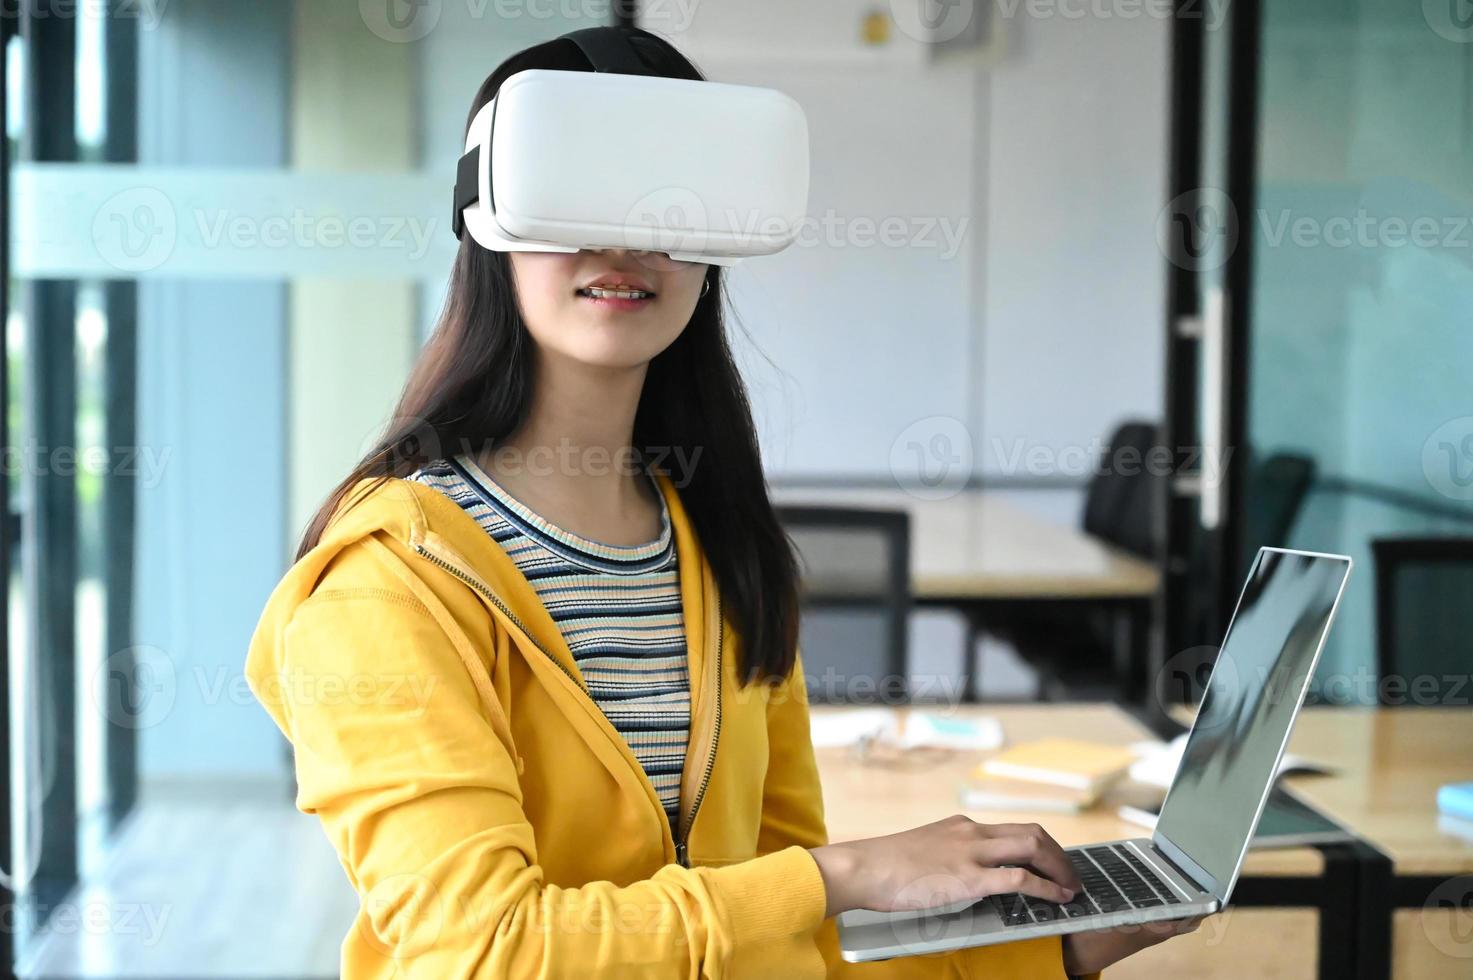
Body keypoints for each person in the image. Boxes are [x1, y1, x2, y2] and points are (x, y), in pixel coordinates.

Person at [244, 25, 1196, 979]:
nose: (628, 239)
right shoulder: (388, 588)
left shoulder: (719, 547)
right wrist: (842, 874)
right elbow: (485, 949)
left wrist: (1047, 955)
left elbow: (778, 950)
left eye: (673, 195)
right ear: (487, 210)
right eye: (579, 188)